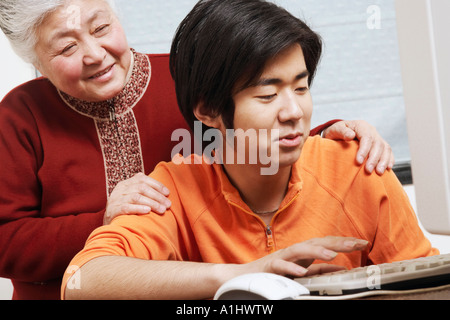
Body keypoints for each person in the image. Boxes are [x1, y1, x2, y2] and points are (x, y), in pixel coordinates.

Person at [0, 0, 392, 300]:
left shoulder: (181, 79)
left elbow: (242, 141)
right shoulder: (20, 115)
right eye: (66, 47)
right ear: (37, 61)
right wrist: (103, 218)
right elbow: (9, 242)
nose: (95, 53)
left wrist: (332, 137)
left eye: (101, 27)